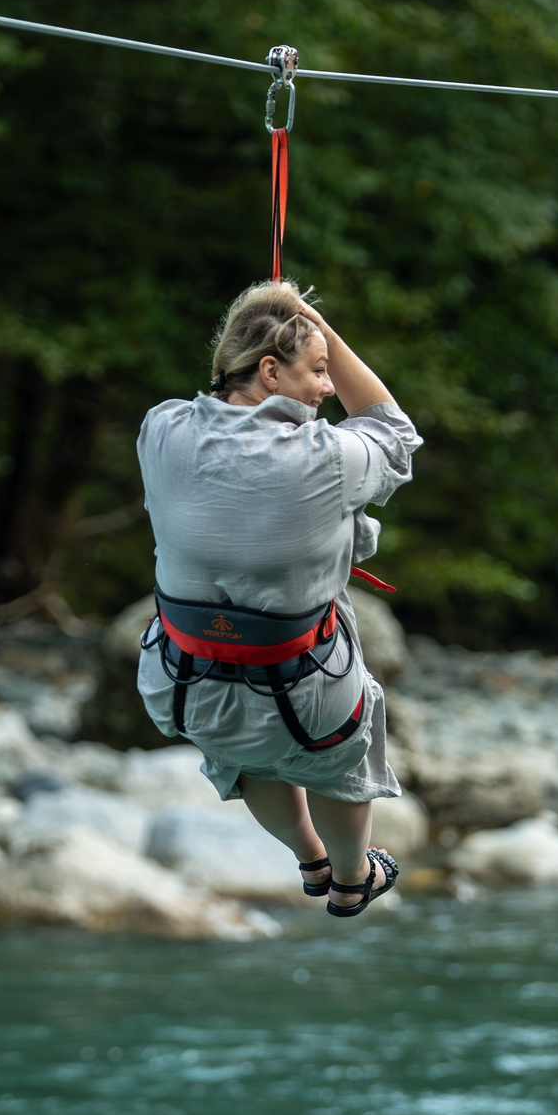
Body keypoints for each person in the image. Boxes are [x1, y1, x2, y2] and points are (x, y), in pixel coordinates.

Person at [135, 281, 423, 918]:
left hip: (185, 685)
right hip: (309, 695)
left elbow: (214, 413)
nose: (327, 387)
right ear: (270, 369)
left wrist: (275, 330)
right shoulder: (326, 458)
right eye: (318, 370)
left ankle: (309, 859)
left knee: (247, 752)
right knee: (338, 760)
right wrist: (321, 325)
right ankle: (351, 876)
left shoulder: (161, 430)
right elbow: (394, 433)